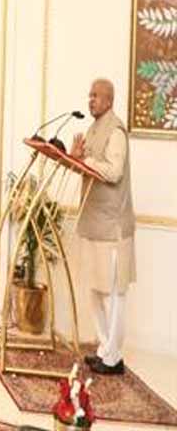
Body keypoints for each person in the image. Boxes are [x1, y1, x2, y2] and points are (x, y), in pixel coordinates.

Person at [70, 78, 136, 376]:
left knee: (112, 294)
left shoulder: (116, 131)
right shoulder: (93, 129)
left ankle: (113, 358)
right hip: (93, 223)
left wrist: (86, 159)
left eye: (96, 96)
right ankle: (104, 349)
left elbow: (114, 171)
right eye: (89, 95)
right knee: (96, 291)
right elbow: (88, 167)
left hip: (112, 227)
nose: (91, 99)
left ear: (109, 100)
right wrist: (74, 158)